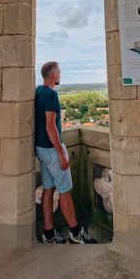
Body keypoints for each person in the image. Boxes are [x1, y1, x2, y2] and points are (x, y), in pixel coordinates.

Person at [35, 61, 97, 244]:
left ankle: (49, 234)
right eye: (59, 73)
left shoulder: (38, 91)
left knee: (48, 189)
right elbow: (50, 126)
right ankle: (76, 234)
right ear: (53, 75)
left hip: (40, 149)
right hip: (52, 149)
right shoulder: (52, 94)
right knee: (65, 190)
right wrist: (61, 153)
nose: (60, 75)